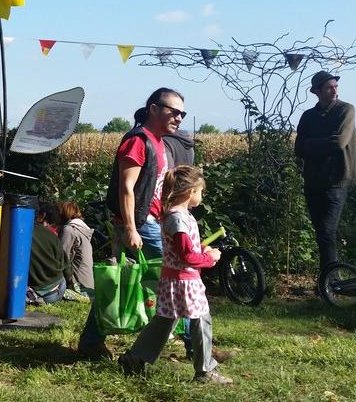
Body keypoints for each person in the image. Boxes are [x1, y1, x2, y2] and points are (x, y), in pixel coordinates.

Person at [78, 88, 184, 360]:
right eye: (174, 111)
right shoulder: (138, 140)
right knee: (180, 276)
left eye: (182, 113)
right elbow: (127, 188)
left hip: (150, 223)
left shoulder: (160, 143)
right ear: (153, 109)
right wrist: (130, 228)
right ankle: (196, 344)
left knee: (120, 281)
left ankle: (91, 341)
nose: (179, 117)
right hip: (139, 224)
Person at [119, 166, 233, 385]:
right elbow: (187, 256)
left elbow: (186, 249)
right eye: (200, 191)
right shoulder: (178, 219)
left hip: (175, 280)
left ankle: (135, 359)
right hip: (185, 281)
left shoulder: (176, 215)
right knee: (201, 321)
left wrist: (202, 250)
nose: (201, 196)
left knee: (165, 321)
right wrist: (210, 259)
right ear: (190, 192)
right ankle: (205, 371)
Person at [294, 71, 356, 288]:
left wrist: (312, 143)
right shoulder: (308, 116)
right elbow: (298, 147)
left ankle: (331, 282)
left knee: (327, 231)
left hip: (336, 181)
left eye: (336, 86)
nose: (335, 90)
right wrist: (321, 143)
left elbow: (338, 142)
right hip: (313, 182)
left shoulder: (346, 110)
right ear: (317, 91)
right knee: (322, 233)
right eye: (329, 87)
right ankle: (329, 281)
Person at [28, 203, 71, 304]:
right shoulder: (51, 235)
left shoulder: (13, 232)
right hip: (60, 287)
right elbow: (67, 269)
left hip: (41, 293)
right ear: (41, 216)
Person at [57, 201, 94, 297]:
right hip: (87, 284)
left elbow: (61, 258)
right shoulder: (81, 228)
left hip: (77, 286)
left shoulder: (69, 230)